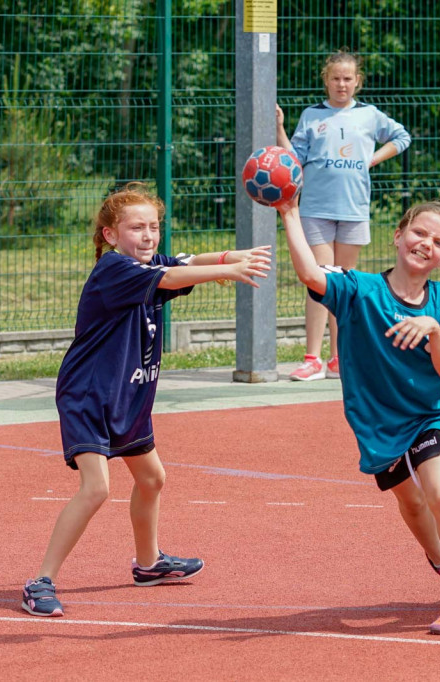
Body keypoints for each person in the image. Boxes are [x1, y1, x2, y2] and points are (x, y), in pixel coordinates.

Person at [21, 184, 271, 617]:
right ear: (110, 235)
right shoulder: (113, 270)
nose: (149, 235)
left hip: (130, 395)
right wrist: (226, 272)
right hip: (89, 397)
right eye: (137, 227)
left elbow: (187, 262)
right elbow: (175, 276)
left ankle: (149, 563)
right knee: (96, 488)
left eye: (154, 227)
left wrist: (231, 257)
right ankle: (40, 581)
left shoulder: (147, 263)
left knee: (152, 478)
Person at [277, 198, 440, 635]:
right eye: (419, 232)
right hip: (377, 425)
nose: (426, 243)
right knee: (410, 504)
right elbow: (311, 275)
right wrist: (290, 214)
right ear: (397, 235)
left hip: (428, 415)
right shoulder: (359, 290)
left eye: (438, 241)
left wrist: (431, 327)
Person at [275, 50, 411, 381]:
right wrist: (278, 128)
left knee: (346, 284)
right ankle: (312, 358)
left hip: (353, 208)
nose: (341, 84)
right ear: (326, 80)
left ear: (357, 82)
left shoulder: (369, 115)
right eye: (335, 78)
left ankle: (339, 358)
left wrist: (371, 159)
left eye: (348, 78)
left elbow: (402, 137)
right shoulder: (312, 115)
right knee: (320, 278)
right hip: (317, 208)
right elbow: (294, 157)